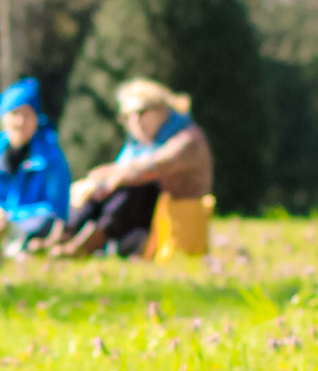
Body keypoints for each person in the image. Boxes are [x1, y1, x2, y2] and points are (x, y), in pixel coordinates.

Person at [51, 77, 213, 260]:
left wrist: (111, 176)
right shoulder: (139, 145)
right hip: (142, 220)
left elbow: (149, 168)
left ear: (162, 110)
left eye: (141, 112)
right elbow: (123, 169)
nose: (134, 122)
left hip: (173, 219)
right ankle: (64, 237)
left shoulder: (186, 139)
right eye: (127, 117)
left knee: (133, 188)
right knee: (97, 190)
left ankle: (85, 244)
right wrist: (96, 181)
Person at [0, 77, 71, 244]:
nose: (20, 122)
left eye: (26, 114)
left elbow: (56, 210)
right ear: (3, 117)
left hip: (32, 235)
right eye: (14, 114)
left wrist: (11, 219)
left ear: (36, 118)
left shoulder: (51, 158)